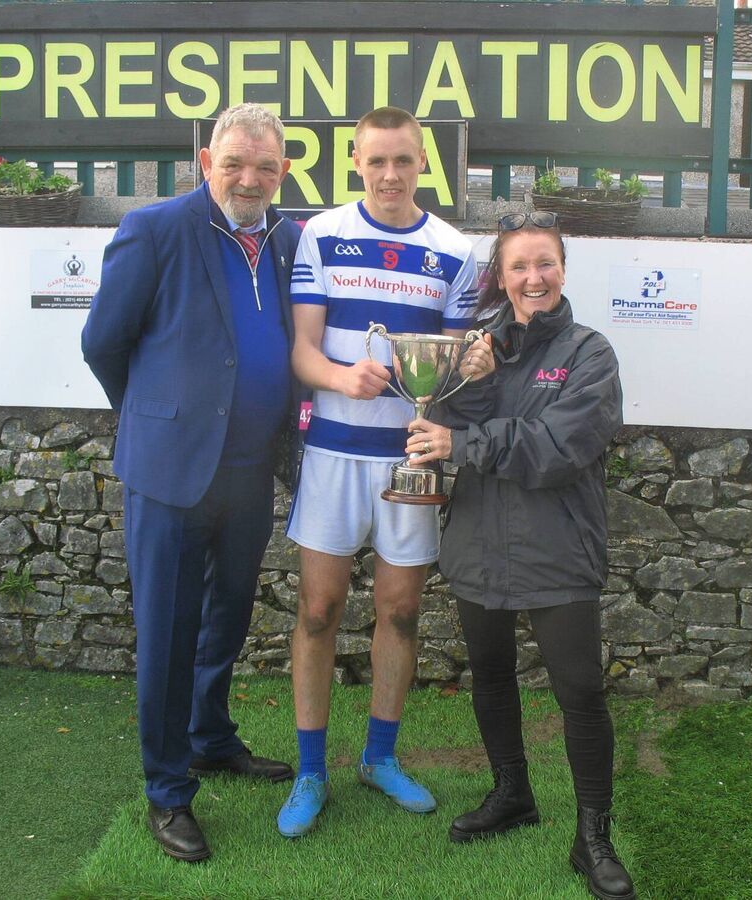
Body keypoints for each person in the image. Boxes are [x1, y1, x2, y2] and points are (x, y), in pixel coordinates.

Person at [81, 103, 301, 863]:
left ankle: (209, 738)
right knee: (170, 635)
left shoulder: (285, 237)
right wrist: (155, 416)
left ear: (282, 172)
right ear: (206, 161)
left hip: (248, 476)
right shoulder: (156, 228)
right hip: (171, 475)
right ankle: (168, 791)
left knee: (226, 620)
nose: (250, 178)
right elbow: (103, 342)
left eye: (265, 167)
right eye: (235, 162)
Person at [405, 211, 637, 900]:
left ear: (562, 270)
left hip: (558, 544)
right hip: (477, 538)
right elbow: (441, 424)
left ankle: (593, 836)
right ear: (500, 278)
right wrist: (467, 381)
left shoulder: (590, 352)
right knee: (491, 675)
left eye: (545, 264)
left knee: (581, 692)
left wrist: (466, 443)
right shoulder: (478, 346)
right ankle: (513, 794)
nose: (533, 278)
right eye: (519, 267)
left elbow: (559, 447)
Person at [278, 106, 479, 838]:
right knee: (318, 612)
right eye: (376, 161)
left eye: (404, 161)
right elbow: (300, 352)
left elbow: (451, 373)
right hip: (333, 453)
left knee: (399, 611)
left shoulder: (457, 250)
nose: (390, 174)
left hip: (409, 461)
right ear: (355, 161)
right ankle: (309, 771)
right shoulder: (321, 236)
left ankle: (381, 757)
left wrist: (472, 364)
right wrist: (338, 376)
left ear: (424, 163)